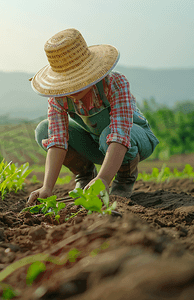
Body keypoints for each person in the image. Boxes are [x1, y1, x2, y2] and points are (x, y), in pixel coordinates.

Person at [28, 28, 159, 204]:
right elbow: (58, 141)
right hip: (96, 143)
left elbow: (120, 134)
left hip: (133, 140)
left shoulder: (114, 84)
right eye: (67, 82)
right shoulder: (58, 99)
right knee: (44, 130)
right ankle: (85, 175)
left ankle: (124, 178)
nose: (72, 88)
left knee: (109, 134)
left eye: (76, 80)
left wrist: (104, 179)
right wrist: (47, 188)